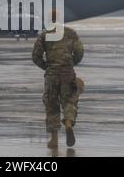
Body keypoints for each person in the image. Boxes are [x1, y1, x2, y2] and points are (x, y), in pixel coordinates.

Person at [32, 10, 84, 148]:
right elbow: (80, 52)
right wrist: (71, 63)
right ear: (61, 19)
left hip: (52, 75)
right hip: (67, 73)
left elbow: (35, 56)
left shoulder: (44, 34)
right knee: (69, 101)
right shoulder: (71, 33)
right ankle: (68, 123)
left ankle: (54, 139)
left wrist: (47, 67)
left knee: (52, 105)